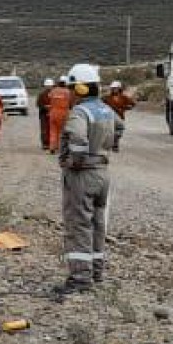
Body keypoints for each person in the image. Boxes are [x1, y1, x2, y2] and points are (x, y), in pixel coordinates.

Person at [56, 62, 122, 295]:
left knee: (79, 223)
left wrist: (76, 160)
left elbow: (77, 137)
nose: (70, 93)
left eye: (72, 88)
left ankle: (80, 278)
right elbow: (120, 127)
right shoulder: (105, 109)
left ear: (81, 89)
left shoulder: (80, 112)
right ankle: (95, 271)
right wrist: (107, 146)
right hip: (103, 173)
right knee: (97, 223)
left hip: (83, 175)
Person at [42, 75, 72, 153]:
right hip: (64, 113)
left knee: (53, 131)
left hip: (53, 113)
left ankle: (52, 147)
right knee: (62, 131)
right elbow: (71, 103)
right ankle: (60, 147)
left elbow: (49, 98)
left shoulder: (53, 91)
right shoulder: (68, 92)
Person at [34, 77, 61, 150]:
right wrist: (45, 107)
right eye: (48, 86)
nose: (49, 87)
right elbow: (38, 104)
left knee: (53, 130)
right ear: (45, 86)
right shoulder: (42, 94)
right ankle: (45, 144)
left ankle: (53, 143)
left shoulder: (56, 94)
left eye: (50, 86)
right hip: (43, 114)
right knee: (44, 129)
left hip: (53, 114)